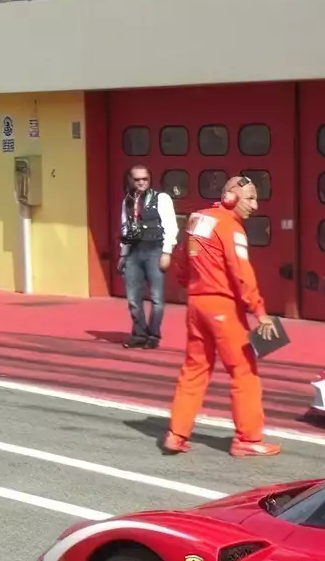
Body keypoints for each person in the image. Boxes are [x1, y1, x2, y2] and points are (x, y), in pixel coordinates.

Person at [162, 176, 281, 457]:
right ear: (230, 197)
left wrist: (191, 285)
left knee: (194, 369)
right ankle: (248, 439)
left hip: (196, 305)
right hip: (223, 307)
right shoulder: (231, 227)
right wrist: (259, 311)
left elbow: (181, 258)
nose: (255, 205)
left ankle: (176, 434)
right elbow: (241, 272)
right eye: (250, 198)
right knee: (244, 371)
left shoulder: (197, 219)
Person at [119, 165, 178, 349]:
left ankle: (153, 335)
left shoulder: (161, 198)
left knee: (157, 298)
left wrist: (167, 252)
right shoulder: (127, 200)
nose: (141, 182)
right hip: (133, 253)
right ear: (130, 180)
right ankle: (139, 334)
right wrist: (123, 254)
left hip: (154, 250)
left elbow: (171, 226)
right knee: (133, 299)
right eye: (137, 179)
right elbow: (125, 228)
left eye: (145, 179)